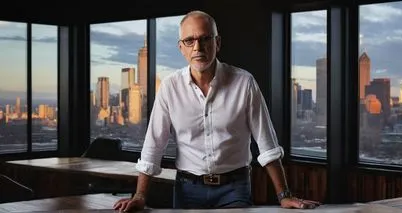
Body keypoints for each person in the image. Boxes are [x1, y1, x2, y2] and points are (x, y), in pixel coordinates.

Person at [113, 10, 321, 211]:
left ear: (217, 43)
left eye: (205, 39)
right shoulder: (170, 87)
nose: (198, 47)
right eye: (190, 41)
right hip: (187, 189)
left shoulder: (244, 83)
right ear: (181, 48)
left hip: (234, 188)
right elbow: (154, 145)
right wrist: (140, 196)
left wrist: (284, 196)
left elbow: (267, 145)